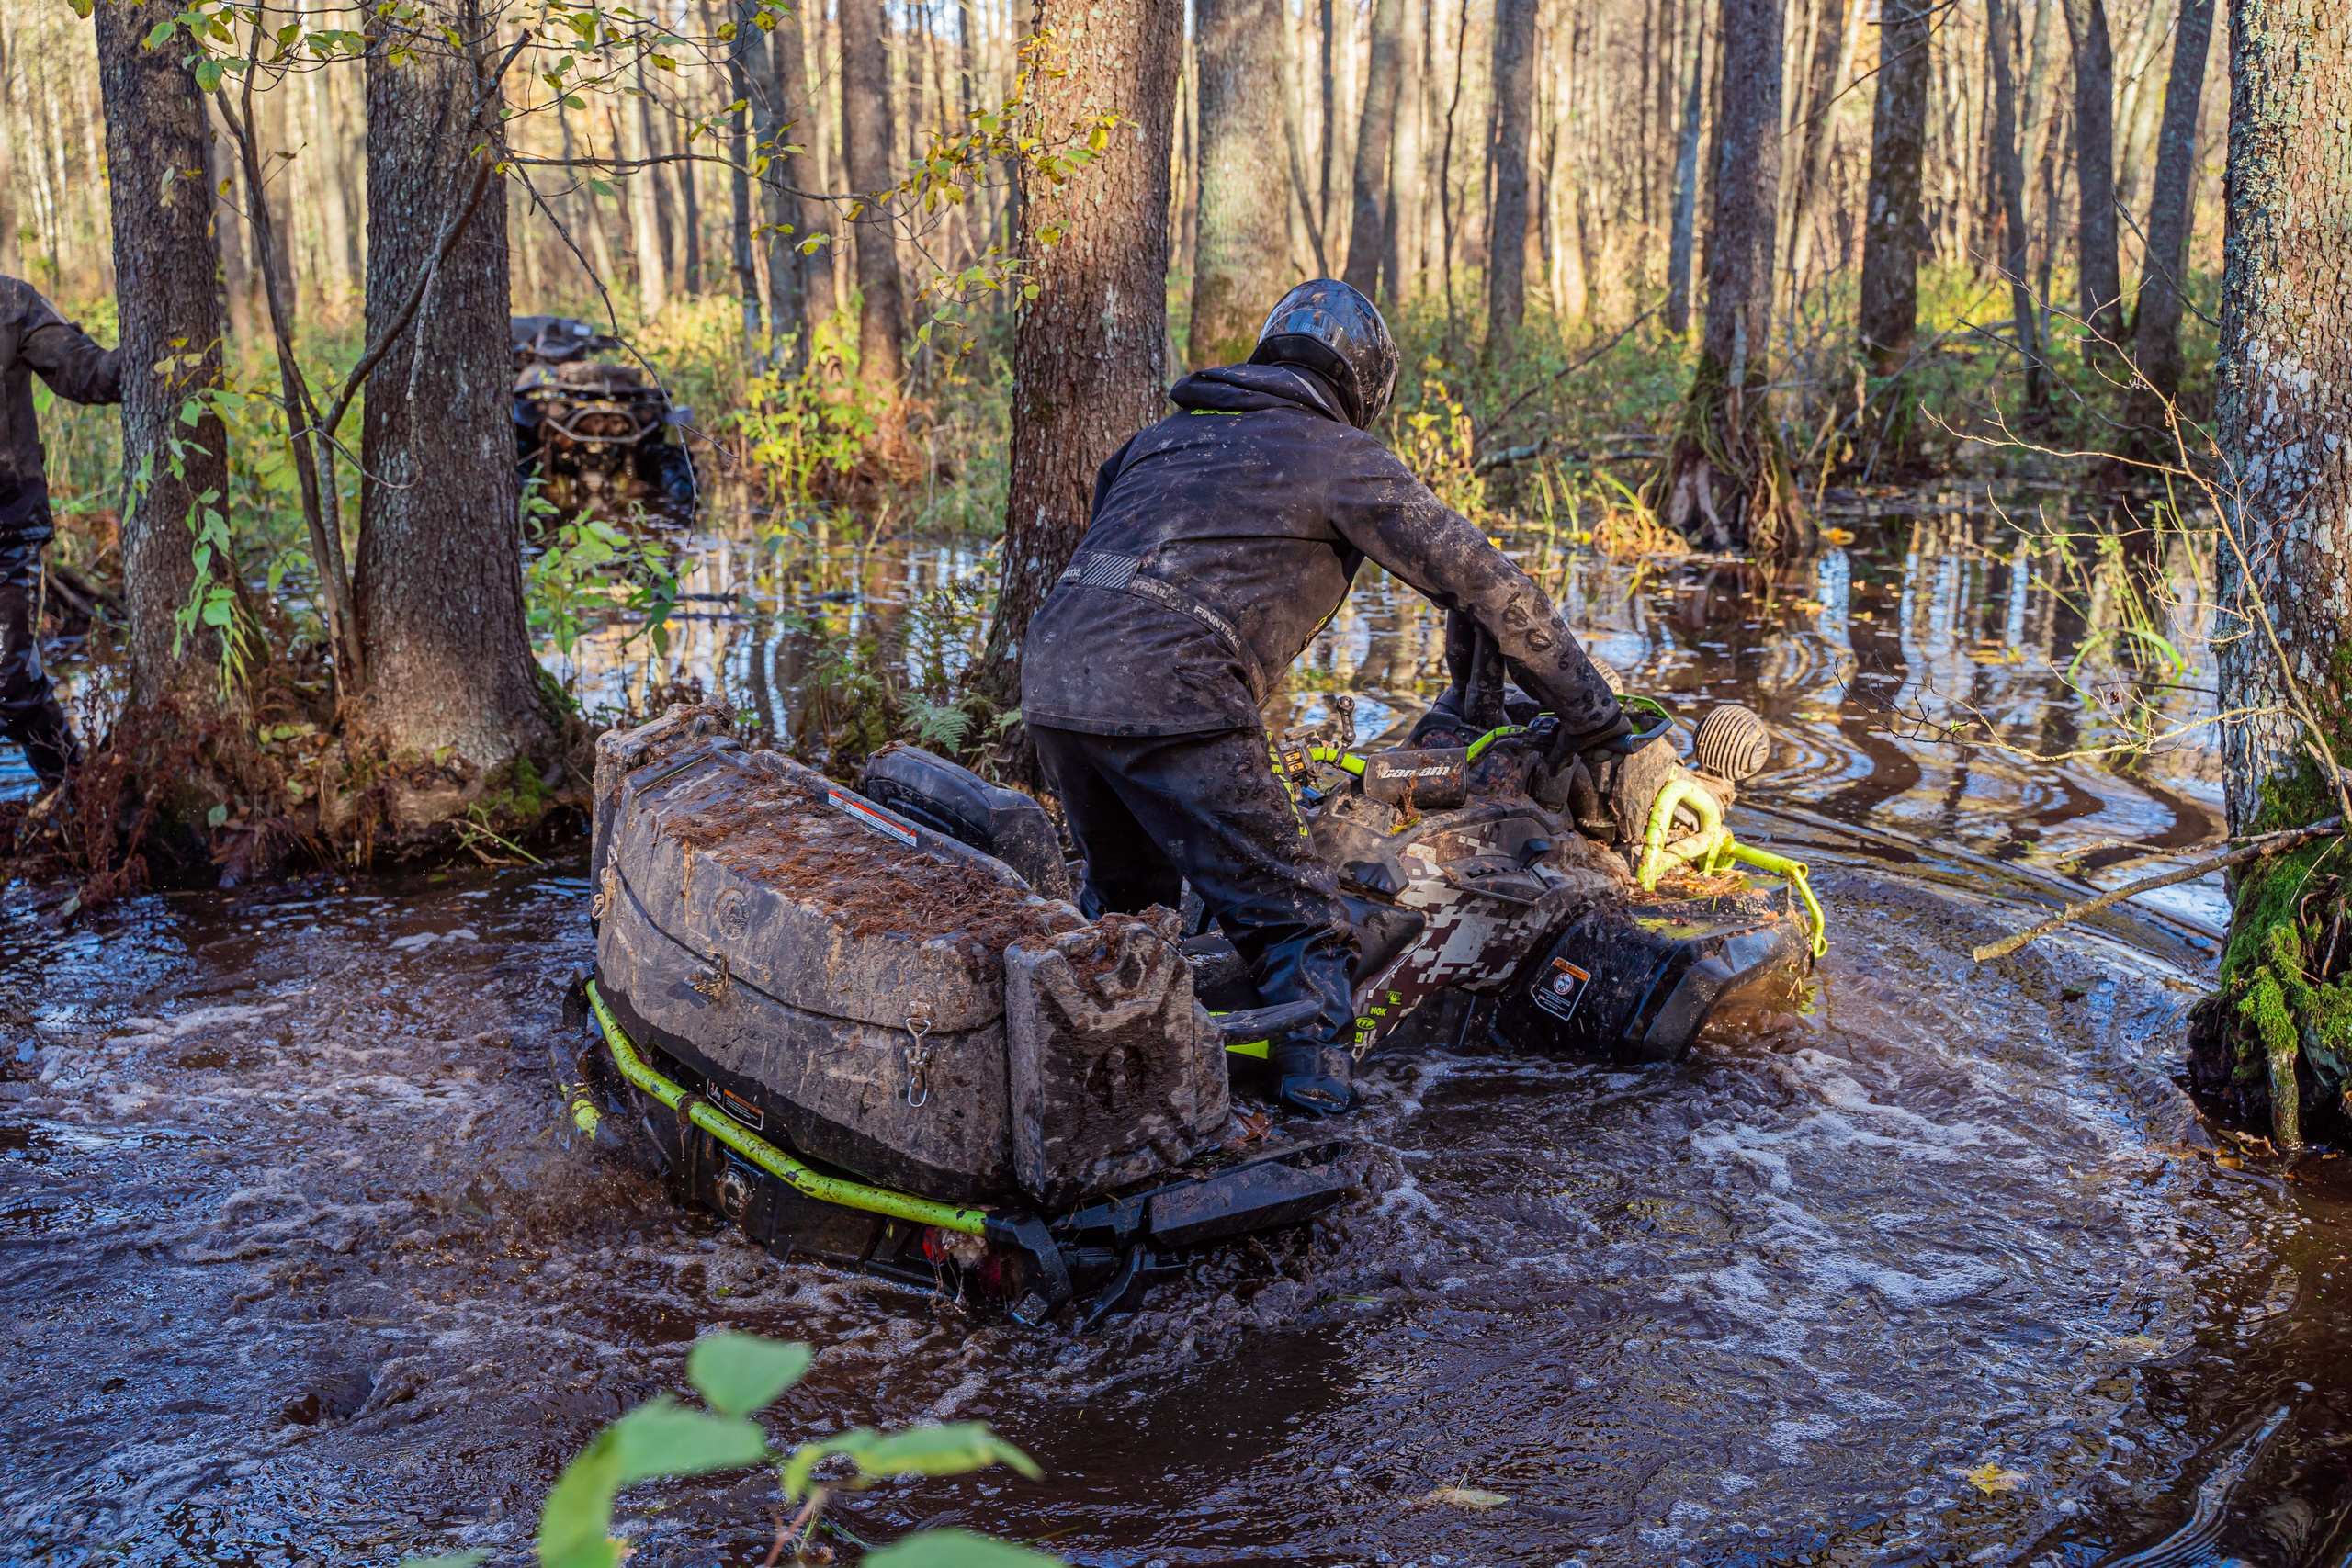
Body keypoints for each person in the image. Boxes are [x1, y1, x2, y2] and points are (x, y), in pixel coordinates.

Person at [1021, 279, 1631, 1118]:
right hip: (1176, 689)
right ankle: (1319, 1129)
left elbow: (1114, 566)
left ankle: (1085, 1091)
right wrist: (1599, 720)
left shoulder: (1154, 442)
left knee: (1133, 905)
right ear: (1364, 384)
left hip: (1052, 674)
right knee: (1303, 925)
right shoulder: (1339, 454)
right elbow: (1491, 586)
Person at [0, 276, 119, 790]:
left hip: (8, 526)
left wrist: (149, 358)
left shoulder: (10, 303)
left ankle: (76, 797)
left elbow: (81, 370)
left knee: (12, 684)